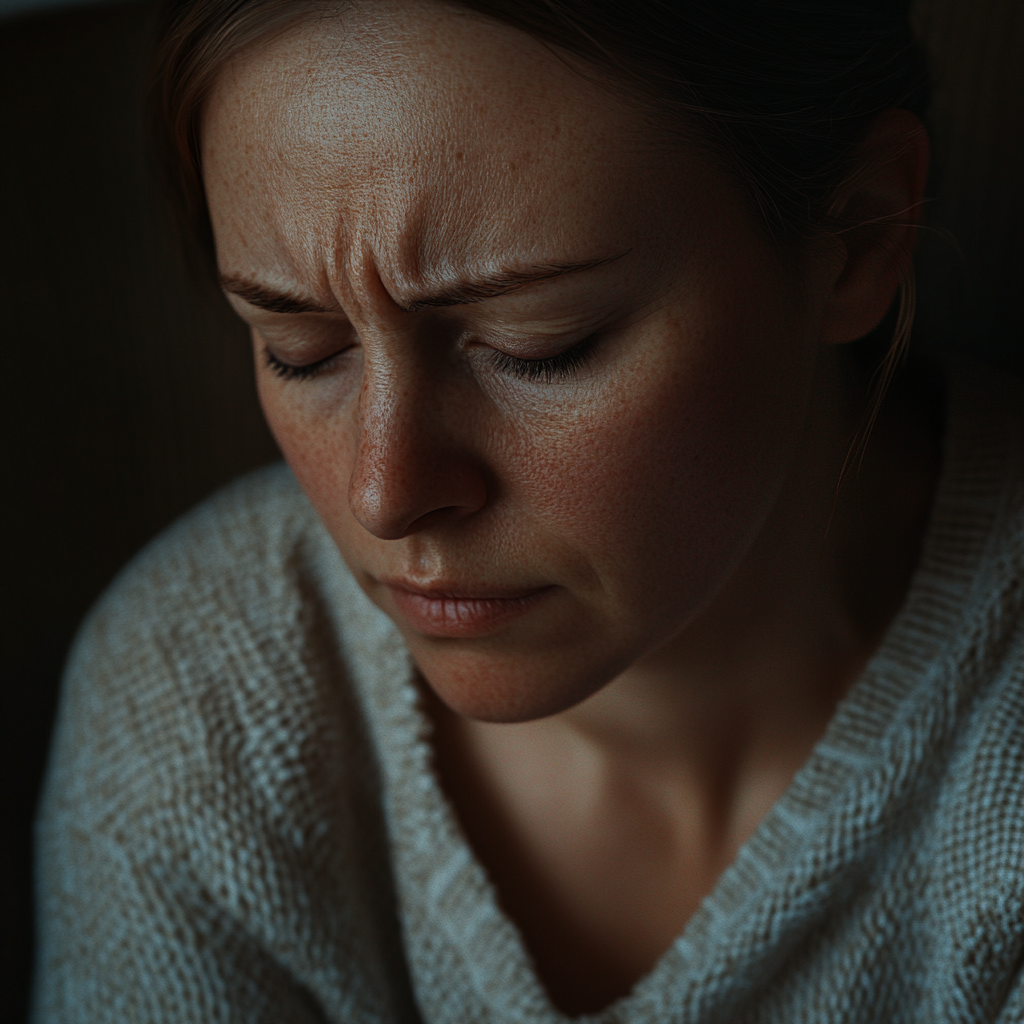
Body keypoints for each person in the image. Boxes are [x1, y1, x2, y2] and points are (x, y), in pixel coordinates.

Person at [33, 1, 1023, 1020]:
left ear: (857, 233)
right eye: (302, 349)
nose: (385, 491)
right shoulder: (199, 698)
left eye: (537, 344)